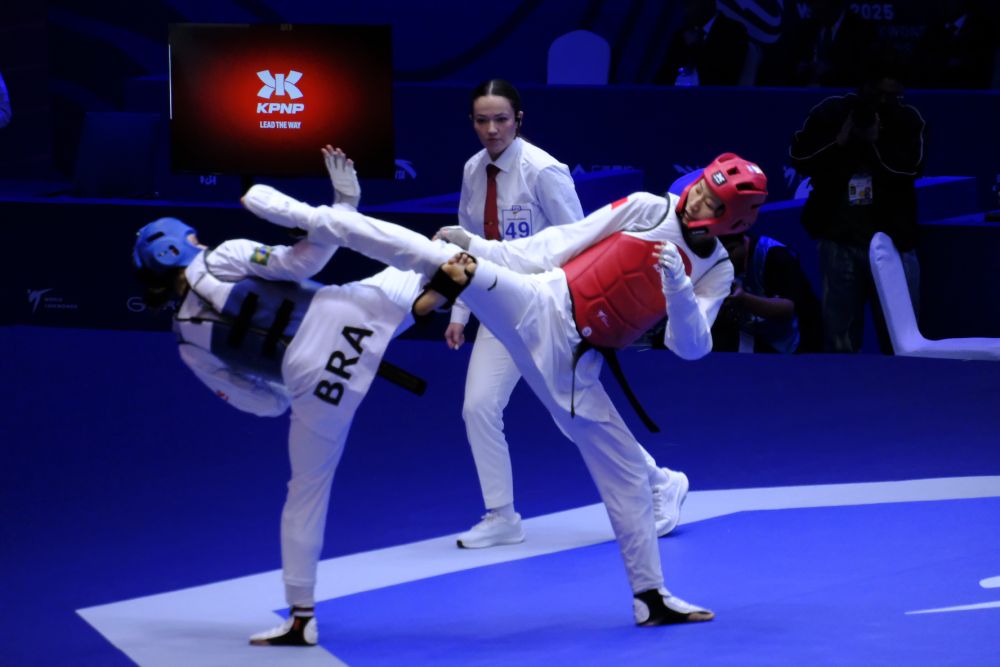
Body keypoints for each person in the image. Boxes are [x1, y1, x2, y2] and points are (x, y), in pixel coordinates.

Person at [240, 151, 768, 626]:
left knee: (627, 474)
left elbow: (690, 346)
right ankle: (306, 216)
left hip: (574, 364)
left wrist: (677, 285)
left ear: (729, 220)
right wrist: (478, 245)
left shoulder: (715, 271)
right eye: (701, 184)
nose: (695, 194)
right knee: (441, 259)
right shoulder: (650, 207)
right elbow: (560, 242)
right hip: (538, 299)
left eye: (709, 198)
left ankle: (650, 598)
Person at [133, 147, 438, 647]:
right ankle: (457, 296)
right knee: (438, 257)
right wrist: (343, 203)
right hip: (344, 318)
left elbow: (263, 404)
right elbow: (306, 259)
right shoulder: (224, 255)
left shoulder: (186, 343)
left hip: (310, 384)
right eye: (191, 237)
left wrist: (303, 382)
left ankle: (301, 616)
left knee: (305, 493)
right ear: (179, 246)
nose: (199, 239)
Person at [451, 79, 688, 548]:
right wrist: (460, 310)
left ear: (519, 119)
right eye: (483, 120)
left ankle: (660, 482)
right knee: (478, 407)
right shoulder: (473, 171)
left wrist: (580, 313)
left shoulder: (544, 171)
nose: (492, 129)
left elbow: (578, 241)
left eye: (501, 119)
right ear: (473, 123)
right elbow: (465, 238)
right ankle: (501, 515)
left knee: (574, 415)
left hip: (547, 309)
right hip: (496, 308)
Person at [789, 55, 926, 353]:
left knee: (902, 340)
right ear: (864, 88)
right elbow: (800, 158)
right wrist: (841, 140)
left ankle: (904, 393)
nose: (884, 102)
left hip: (893, 243)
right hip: (840, 241)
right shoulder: (831, 113)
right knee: (839, 339)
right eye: (879, 94)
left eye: (893, 96)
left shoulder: (908, 120)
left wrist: (874, 141)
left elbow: (910, 169)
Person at [712, 232, 823, 353]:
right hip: (755, 338)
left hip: (793, 345)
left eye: (728, 252)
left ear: (739, 244)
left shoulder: (775, 255)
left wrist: (744, 299)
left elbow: (787, 309)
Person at [653, 0, 750, 86]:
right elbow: (664, 74)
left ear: (707, 3)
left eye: (690, 3)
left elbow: (722, 76)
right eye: (685, 4)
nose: (686, 10)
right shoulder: (681, 34)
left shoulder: (733, 32)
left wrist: (694, 47)